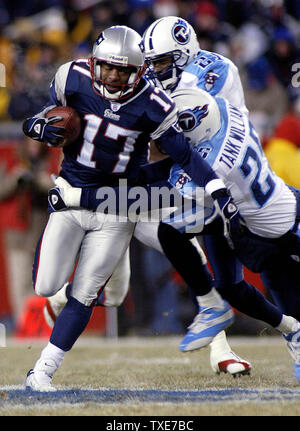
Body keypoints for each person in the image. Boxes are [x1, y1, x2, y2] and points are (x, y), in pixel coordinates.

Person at [23, 25, 238, 392]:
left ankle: (41, 372)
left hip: (120, 203)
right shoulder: (71, 77)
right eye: (107, 67)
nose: (113, 76)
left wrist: (216, 187)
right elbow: (42, 118)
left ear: (140, 70)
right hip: (74, 192)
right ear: (94, 63)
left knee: (89, 292)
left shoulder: (153, 102)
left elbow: (182, 154)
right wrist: (38, 126)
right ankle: (82, 287)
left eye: (123, 70)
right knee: (46, 285)